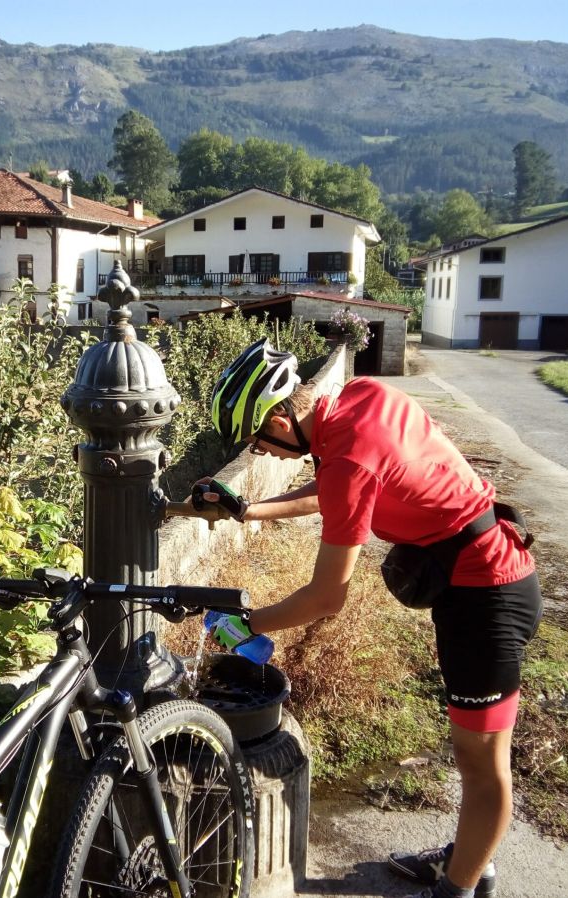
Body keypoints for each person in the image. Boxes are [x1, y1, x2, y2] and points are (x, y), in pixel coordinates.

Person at [200, 338, 541, 898]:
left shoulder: (348, 457)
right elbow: (338, 489)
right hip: (483, 579)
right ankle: (469, 860)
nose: (261, 454)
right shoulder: (361, 398)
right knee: (476, 757)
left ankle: (455, 890)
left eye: (259, 442)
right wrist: (247, 509)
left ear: (282, 419)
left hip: (489, 600)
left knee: (483, 766)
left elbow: (325, 597)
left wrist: (248, 625)